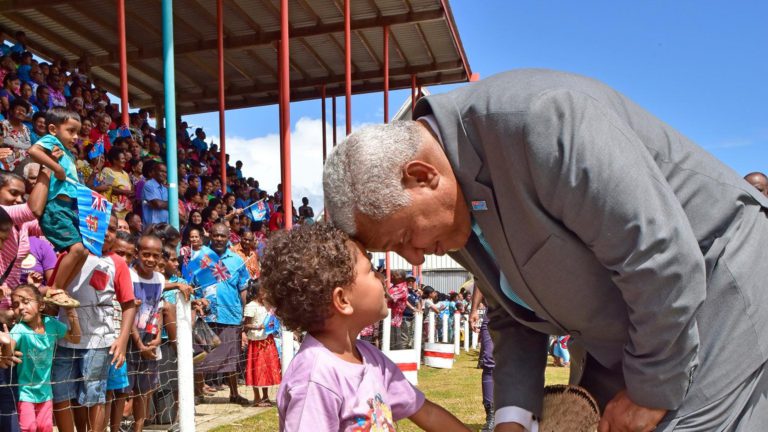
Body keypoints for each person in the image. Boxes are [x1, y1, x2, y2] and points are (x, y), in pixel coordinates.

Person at [323, 69, 768, 431]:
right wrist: (512, 418)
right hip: (636, 329)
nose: (416, 257)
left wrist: (650, 391)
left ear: (422, 176)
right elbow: (511, 313)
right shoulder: (448, 212)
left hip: (716, 287)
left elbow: (660, 257)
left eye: (404, 238)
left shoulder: (544, 122)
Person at [259, 223, 469, 431]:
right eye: (371, 270)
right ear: (342, 300)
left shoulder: (371, 357)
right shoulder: (315, 377)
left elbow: (427, 413)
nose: (381, 277)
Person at [51, 213, 136, 432]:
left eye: (113, 229)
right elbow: (52, 294)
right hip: (64, 339)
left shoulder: (116, 263)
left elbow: (129, 304)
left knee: (94, 395)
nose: (107, 233)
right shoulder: (68, 256)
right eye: (101, 226)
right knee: (61, 394)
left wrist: (122, 340)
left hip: (99, 341)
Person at [28, 107, 87, 307]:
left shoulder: (68, 154)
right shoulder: (52, 142)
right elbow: (33, 151)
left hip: (68, 209)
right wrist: (57, 168)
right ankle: (55, 289)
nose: (76, 137)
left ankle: (60, 289)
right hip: (55, 208)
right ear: (53, 129)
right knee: (76, 249)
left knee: (83, 252)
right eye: (71, 131)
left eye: (77, 132)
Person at [4, 284, 80, 432]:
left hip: (45, 392)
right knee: (29, 427)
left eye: (26, 302)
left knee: (45, 427)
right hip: (25, 392)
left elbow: (76, 338)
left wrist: (70, 311)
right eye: (16, 305)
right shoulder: (19, 329)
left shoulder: (51, 324)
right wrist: (6, 342)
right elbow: (8, 351)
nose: (21, 307)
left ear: (41, 305)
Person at [190, 223, 250, 406]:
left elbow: (243, 289)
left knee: (232, 357)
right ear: (210, 235)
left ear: (228, 237)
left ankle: (234, 394)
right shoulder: (200, 258)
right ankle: (198, 393)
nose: (218, 239)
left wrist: (243, 313)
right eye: (215, 235)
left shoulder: (237, 261)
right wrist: (196, 303)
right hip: (205, 316)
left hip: (231, 314)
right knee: (201, 355)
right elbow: (191, 285)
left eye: (222, 236)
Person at [127, 234, 165, 432]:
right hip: (129, 340)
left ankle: (138, 428)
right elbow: (128, 313)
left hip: (149, 339)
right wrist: (138, 344)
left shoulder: (160, 279)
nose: (150, 259)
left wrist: (157, 337)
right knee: (124, 391)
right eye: (146, 254)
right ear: (137, 253)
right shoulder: (128, 276)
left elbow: (158, 309)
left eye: (155, 255)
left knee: (144, 390)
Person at [242, 283, 281, 408]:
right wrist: (258, 326)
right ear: (257, 292)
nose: (266, 293)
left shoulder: (267, 306)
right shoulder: (251, 306)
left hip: (268, 340)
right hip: (256, 342)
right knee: (256, 368)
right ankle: (257, 397)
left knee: (266, 369)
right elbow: (246, 325)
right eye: (263, 291)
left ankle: (265, 396)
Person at [469, 285, 495, 432]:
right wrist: (474, 310)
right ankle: (491, 414)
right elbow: (479, 280)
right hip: (493, 312)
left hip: (524, 313)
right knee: (489, 361)